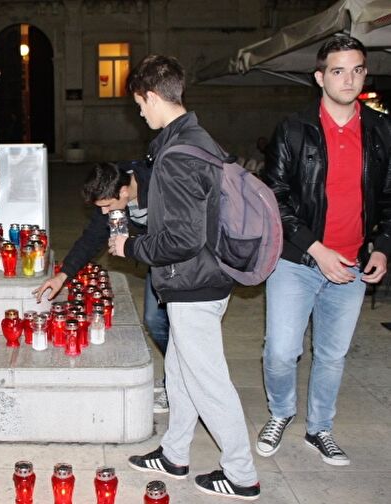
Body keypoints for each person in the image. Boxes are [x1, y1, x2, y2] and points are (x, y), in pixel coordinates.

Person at [109, 55, 260, 500]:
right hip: (208, 276)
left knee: (208, 380)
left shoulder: (176, 155)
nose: (140, 113)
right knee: (179, 370)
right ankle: (175, 453)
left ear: (153, 97)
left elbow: (182, 239)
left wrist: (131, 247)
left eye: (140, 104)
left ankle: (241, 473)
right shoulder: (199, 139)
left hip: (194, 282)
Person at [257, 35, 390, 466]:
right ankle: (281, 413)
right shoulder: (294, 129)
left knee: (332, 355)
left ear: (365, 74)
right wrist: (316, 248)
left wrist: (383, 247)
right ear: (320, 77)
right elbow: (274, 197)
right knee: (281, 351)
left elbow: (388, 196)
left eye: (356, 70)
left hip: (351, 263)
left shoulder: (381, 129)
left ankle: (320, 428)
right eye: (338, 70)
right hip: (297, 260)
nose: (348, 79)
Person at [32, 158, 171, 414]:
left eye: (108, 206)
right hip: (157, 262)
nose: (106, 212)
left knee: (179, 327)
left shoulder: (162, 185)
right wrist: (62, 276)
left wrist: (132, 246)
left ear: (124, 192)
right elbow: (92, 238)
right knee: (155, 321)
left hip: (183, 261)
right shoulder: (112, 195)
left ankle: (179, 383)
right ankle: (176, 379)